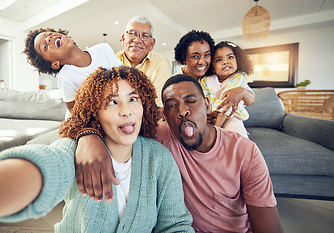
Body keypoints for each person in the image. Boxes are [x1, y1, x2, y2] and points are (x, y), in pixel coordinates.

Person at [74, 74, 283, 232]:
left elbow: (268, 226)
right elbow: (110, 124)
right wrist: (88, 136)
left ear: (207, 105)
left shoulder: (245, 151)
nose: (182, 111)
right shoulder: (159, 138)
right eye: (172, 105)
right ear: (164, 115)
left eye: (190, 100)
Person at [0, 67, 194, 232]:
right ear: (95, 112)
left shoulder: (160, 158)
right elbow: (51, 163)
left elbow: (176, 225)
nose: (126, 111)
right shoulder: (75, 149)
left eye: (133, 99)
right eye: (112, 102)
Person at [23, 27, 121, 115]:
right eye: (45, 47)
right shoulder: (65, 77)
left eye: (50, 34)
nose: (49, 38)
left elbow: (124, 78)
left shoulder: (103, 49)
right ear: (55, 64)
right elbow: (74, 112)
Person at [174, 30, 255, 124]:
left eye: (207, 55)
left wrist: (242, 91)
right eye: (195, 56)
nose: (202, 62)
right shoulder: (176, 82)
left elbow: (250, 100)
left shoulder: (220, 76)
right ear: (184, 58)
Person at [117, 15, 173, 108]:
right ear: (123, 39)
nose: (137, 40)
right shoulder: (111, 61)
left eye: (144, 35)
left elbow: (159, 107)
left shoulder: (161, 62)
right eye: (132, 33)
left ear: (152, 44)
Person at [200, 41, 253, 137]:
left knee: (236, 137)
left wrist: (216, 128)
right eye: (218, 60)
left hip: (231, 117)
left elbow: (227, 104)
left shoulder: (239, 78)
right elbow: (203, 99)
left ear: (237, 60)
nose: (225, 62)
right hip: (210, 118)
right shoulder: (206, 81)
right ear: (213, 68)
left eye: (230, 57)